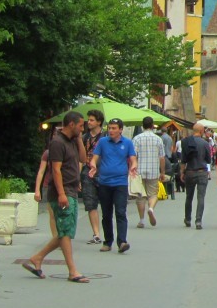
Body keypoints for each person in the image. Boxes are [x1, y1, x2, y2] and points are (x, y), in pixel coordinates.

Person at [23, 111, 89, 283]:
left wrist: (80, 139)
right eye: (81, 125)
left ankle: (37, 258)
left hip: (71, 189)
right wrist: (61, 194)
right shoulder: (57, 143)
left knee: (64, 232)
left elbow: (83, 158)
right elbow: (56, 170)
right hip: (63, 191)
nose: (83, 128)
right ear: (71, 124)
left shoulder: (73, 141)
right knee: (65, 232)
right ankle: (72, 271)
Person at [89, 118, 138, 253]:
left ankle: (122, 241)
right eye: (109, 128)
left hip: (120, 183)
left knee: (120, 212)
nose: (111, 130)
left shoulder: (127, 143)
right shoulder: (103, 142)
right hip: (104, 182)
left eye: (114, 128)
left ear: (120, 130)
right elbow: (95, 157)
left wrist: (133, 167)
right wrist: (93, 165)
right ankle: (107, 242)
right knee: (106, 214)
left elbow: (133, 159)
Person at [132, 116, 166, 228]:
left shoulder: (137, 138)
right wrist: (162, 172)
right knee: (153, 194)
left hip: (139, 171)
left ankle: (141, 220)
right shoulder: (158, 139)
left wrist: (131, 169)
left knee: (140, 196)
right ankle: (151, 208)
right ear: (152, 126)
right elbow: (162, 157)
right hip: (153, 170)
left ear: (143, 125)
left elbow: (133, 156)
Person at [180, 122, 213, 229]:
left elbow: (183, 160)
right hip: (202, 172)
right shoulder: (205, 143)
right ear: (201, 131)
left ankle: (187, 219)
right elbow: (208, 159)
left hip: (189, 171)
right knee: (201, 197)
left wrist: (182, 172)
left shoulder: (185, 142)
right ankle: (198, 221)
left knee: (189, 197)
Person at [80, 111, 104, 244]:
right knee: (90, 204)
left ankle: (107, 231)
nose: (89, 122)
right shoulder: (84, 137)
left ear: (99, 122)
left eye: (92, 120)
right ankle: (96, 233)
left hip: (103, 172)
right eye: (88, 120)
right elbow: (80, 158)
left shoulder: (105, 137)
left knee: (106, 203)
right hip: (87, 172)